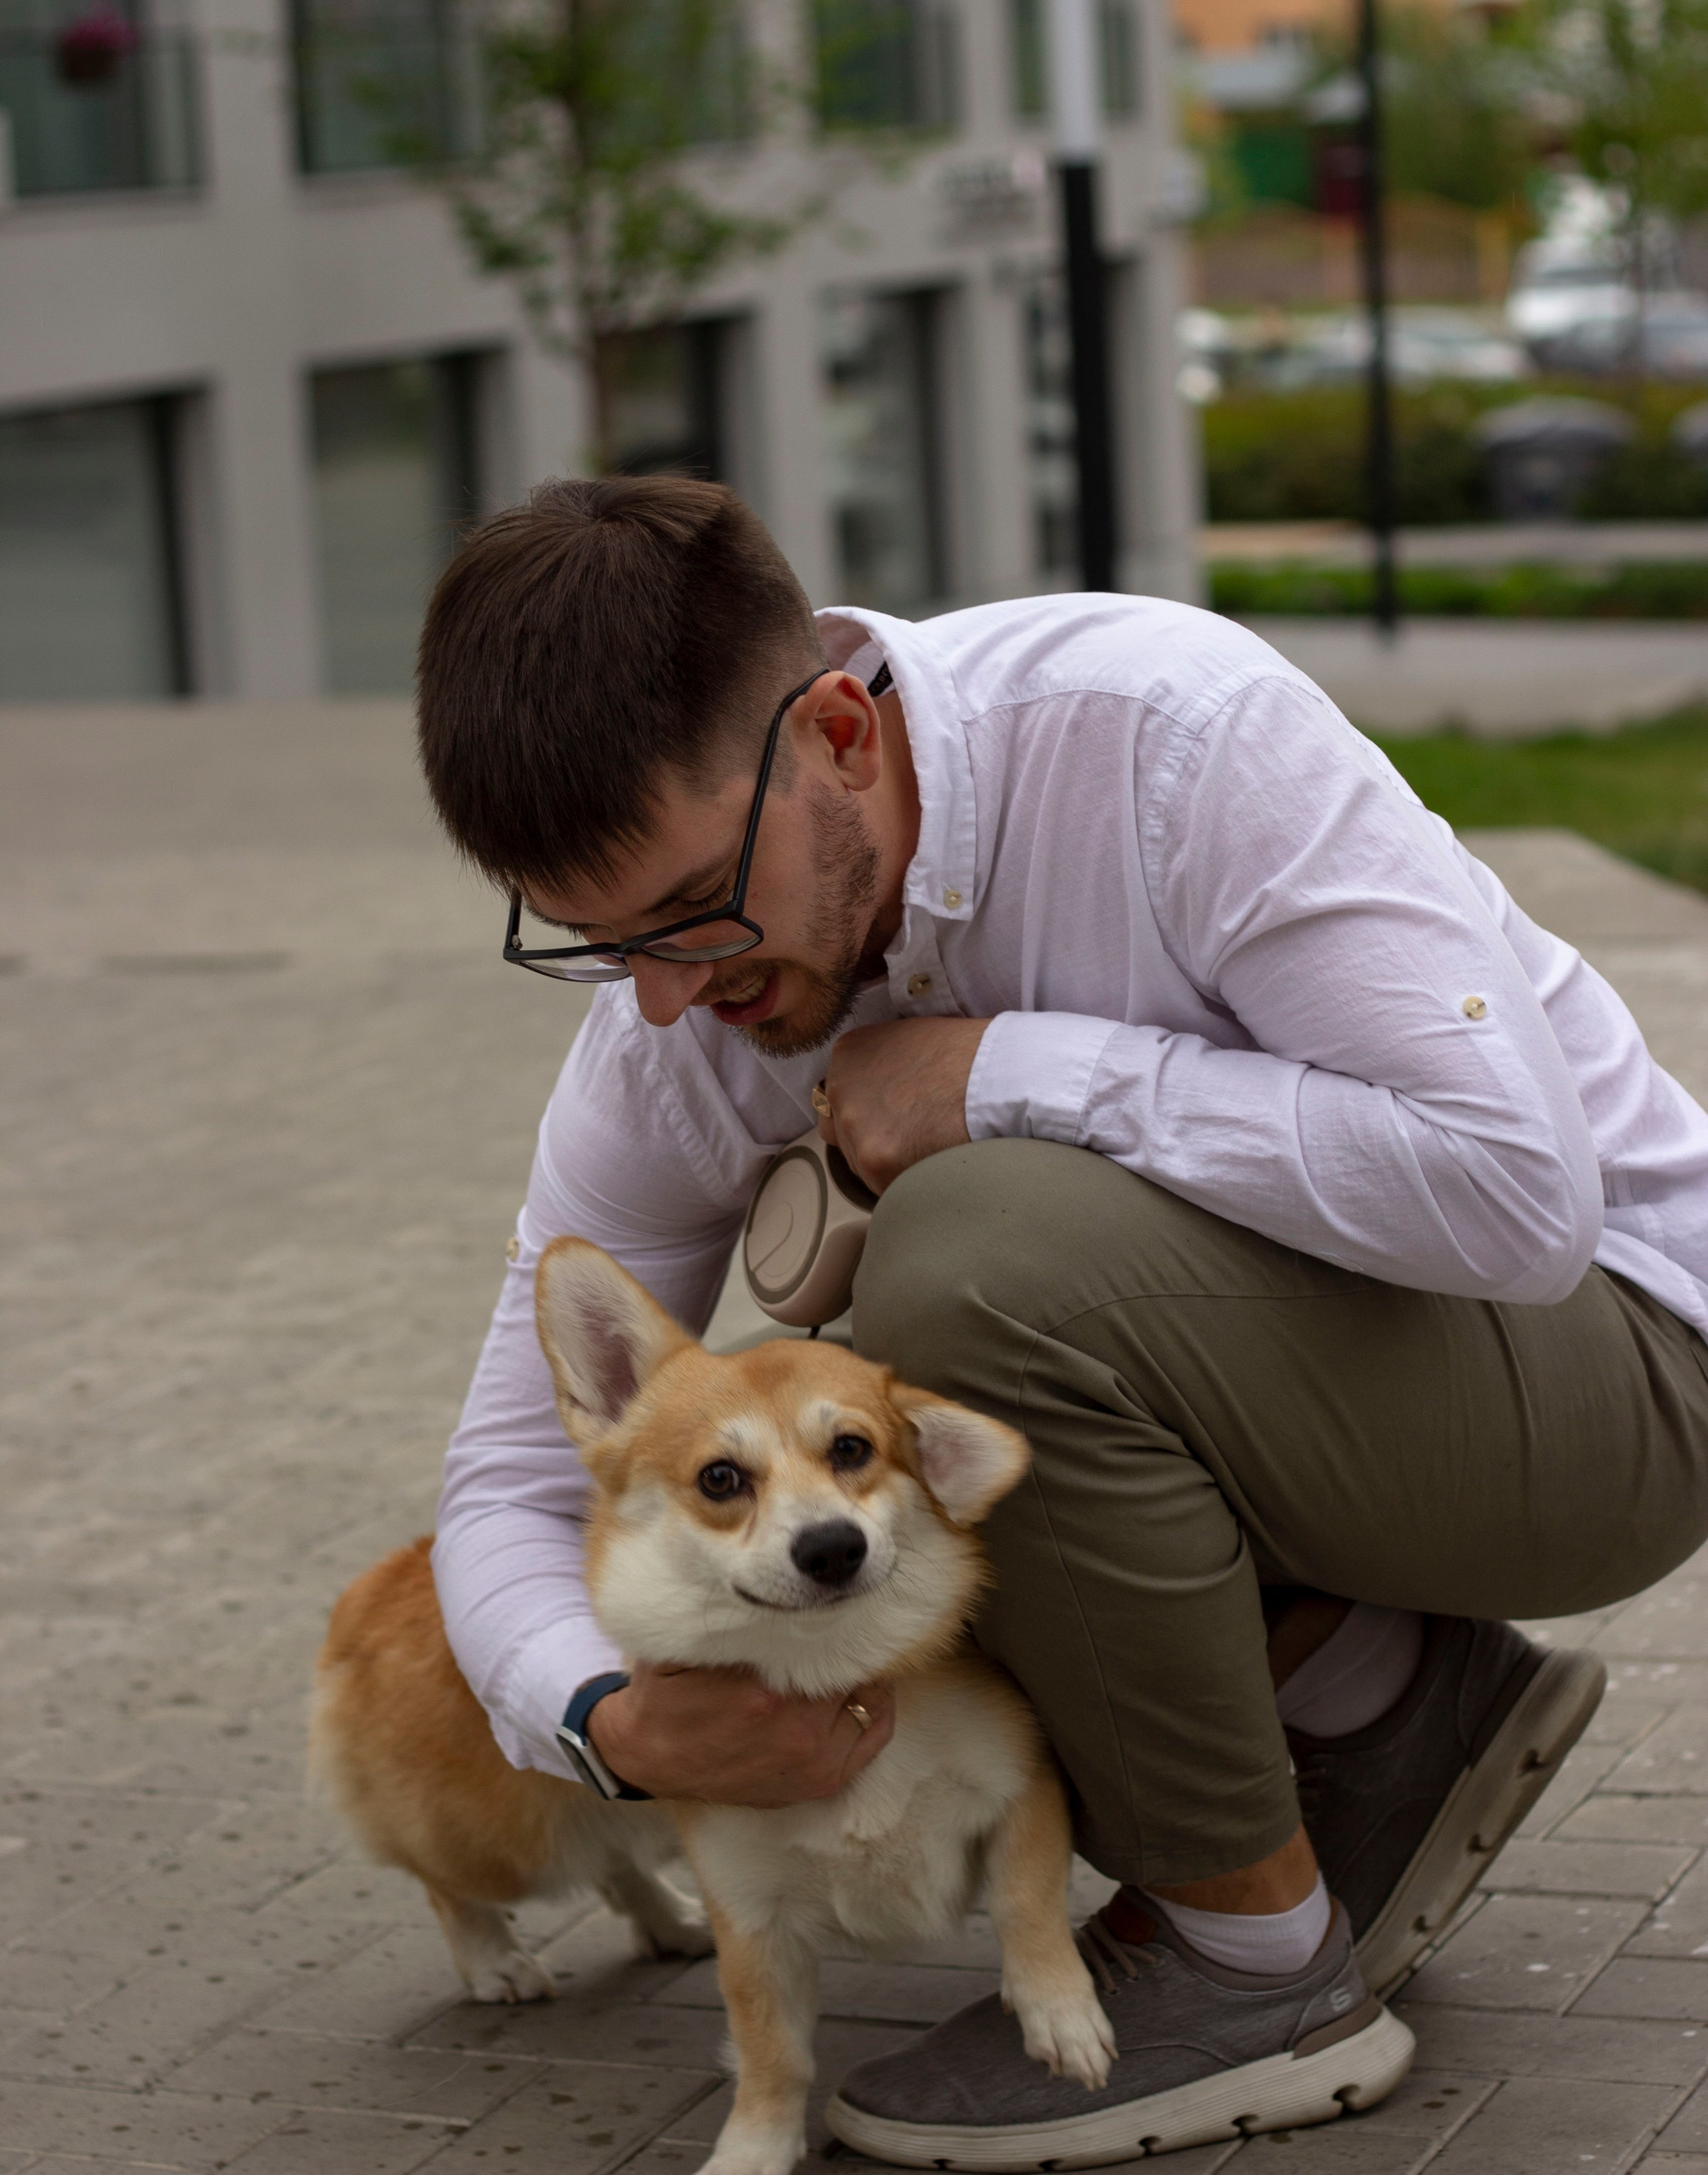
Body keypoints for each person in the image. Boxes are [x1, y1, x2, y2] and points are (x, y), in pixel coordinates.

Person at [418, 474, 1708, 2160]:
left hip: (1622, 1373)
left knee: (961, 1272)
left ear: (836, 736)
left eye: (682, 913)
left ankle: (1252, 1963)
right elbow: (510, 1480)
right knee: (815, 1520)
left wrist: (1008, 1075)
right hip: (1364, 1405)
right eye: (594, 945)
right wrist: (607, 1718)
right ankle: (1375, 1699)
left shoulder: (1170, 740)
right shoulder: (676, 1010)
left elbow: (1517, 1200)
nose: (663, 995)